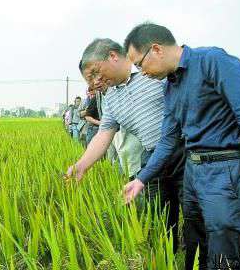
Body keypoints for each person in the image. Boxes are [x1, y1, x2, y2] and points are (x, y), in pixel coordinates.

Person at [123, 23, 240, 269]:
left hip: (225, 170)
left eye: (140, 64)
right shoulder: (171, 86)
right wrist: (141, 179)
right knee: (195, 241)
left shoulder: (213, 61)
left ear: (156, 49)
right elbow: (168, 140)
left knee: (223, 246)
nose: (141, 72)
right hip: (193, 172)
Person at [64, 38, 185, 254]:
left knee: (196, 214)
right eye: (89, 80)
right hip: (152, 159)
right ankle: (170, 257)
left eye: (94, 73)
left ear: (112, 56)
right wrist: (82, 165)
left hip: (183, 153)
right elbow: (104, 134)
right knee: (160, 216)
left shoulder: (150, 71)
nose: (94, 82)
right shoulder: (110, 98)